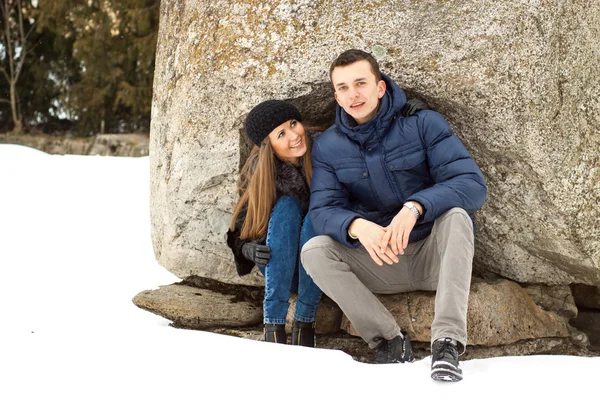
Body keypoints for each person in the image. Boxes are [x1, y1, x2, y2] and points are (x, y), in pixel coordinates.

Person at [300, 49, 487, 381]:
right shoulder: (328, 146)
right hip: (379, 261)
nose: (353, 94)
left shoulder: (423, 123)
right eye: (343, 87)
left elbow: (472, 186)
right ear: (336, 96)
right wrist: (356, 227)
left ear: (380, 87)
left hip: (435, 258)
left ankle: (446, 344)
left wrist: (415, 208)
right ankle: (388, 341)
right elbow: (322, 210)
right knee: (314, 250)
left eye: (360, 83)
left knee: (457, 216)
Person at [226, 100, 322, 347]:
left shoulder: (323, 150)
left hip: (323, 265)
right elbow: (237, 231)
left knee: (316, 216)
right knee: (287, 207)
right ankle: (273, 326)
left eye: (293, 124)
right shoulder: (260, 172)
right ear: (268, 146)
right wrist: (247, 250)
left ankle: (305, 323)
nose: (294, 135)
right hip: (282, 268)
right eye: (282, 133)